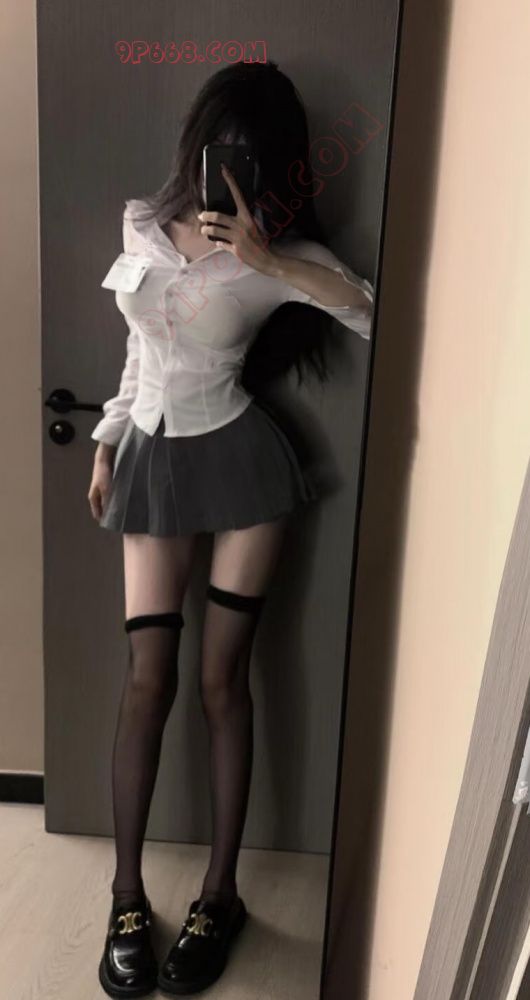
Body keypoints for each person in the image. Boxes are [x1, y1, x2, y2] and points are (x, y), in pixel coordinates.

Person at [88, 59, 373, 998]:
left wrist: (271, 263)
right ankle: (127, 897)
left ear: (277, 161)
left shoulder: (276, 254)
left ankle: (220, 896)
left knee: (222, 680)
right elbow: (140, 347)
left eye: (252, 152)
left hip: (244, 465)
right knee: (147, 679)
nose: (230, 162)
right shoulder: (142, 223)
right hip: (150, 466)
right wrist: (106, 443)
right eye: (221, 143)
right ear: (198, 139)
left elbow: (376, 317)